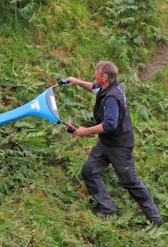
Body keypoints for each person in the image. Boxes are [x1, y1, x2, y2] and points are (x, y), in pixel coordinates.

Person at [65, 61, 163, 226]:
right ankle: (108, 209)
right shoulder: (109, 87)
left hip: (119, 147)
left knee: (130, 182)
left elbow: (110, 124)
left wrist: (84, 131)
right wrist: (77, 82)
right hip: (106, 144)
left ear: (104, 77)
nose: (94, 76)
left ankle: (155, 220)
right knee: (89, 171)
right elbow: (95, 88)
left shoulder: (112, 97)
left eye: (96, 73)